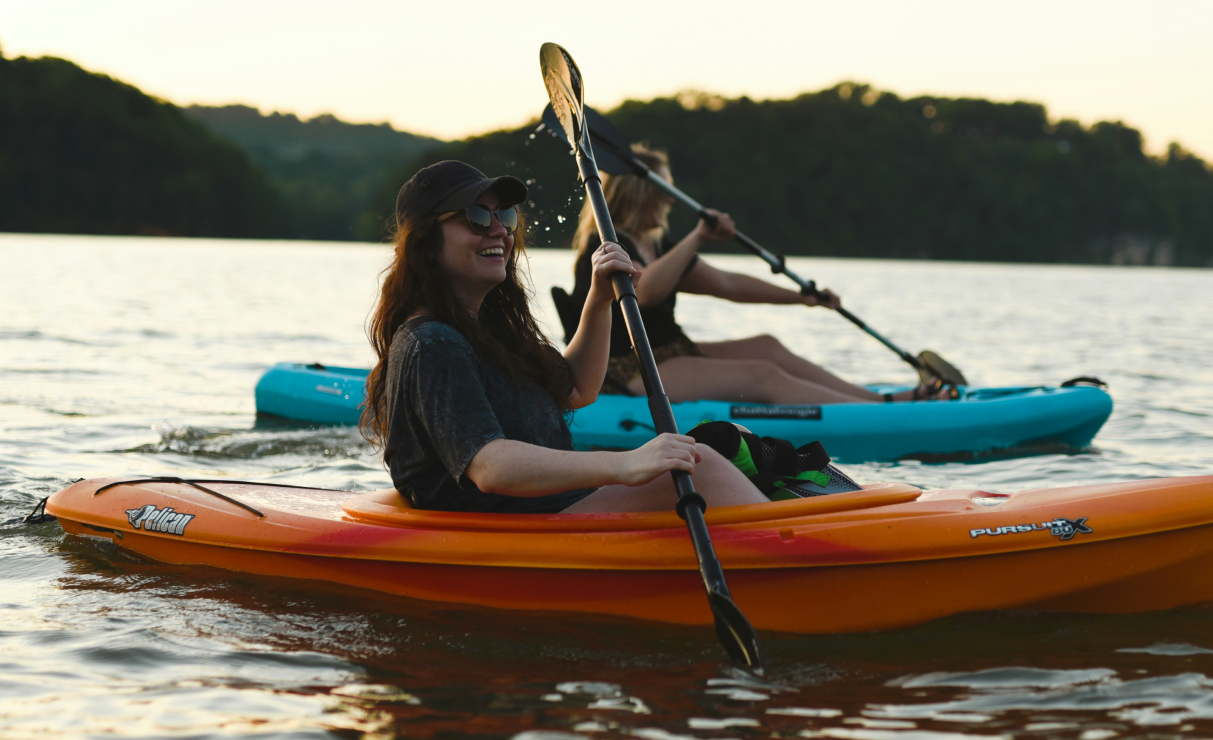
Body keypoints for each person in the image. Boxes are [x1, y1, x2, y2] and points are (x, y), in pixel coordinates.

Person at [359, 160, 768, 515]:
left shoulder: (488, 331)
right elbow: (490, 466)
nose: (499, 231)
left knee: (732, 439)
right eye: (477, 219)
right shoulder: (433, 343)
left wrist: (598, 300)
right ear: (427, 246)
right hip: (506, 526)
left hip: (547, 507)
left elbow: (576, 388)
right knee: (704, 464)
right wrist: (625, 464)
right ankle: (806, 554)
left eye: (505, 217)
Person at [568, 145, 939, 404]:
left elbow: (729, 284)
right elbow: (643, 291)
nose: (671, 200)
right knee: (762, 374)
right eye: (663, 190)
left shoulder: (659, 246)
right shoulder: (603, 249)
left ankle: (884, 401)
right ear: (638, 194)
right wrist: (699, 236)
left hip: (669, 352)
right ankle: (878, 413)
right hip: (625, 370)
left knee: (767, 346)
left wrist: (803, 298)